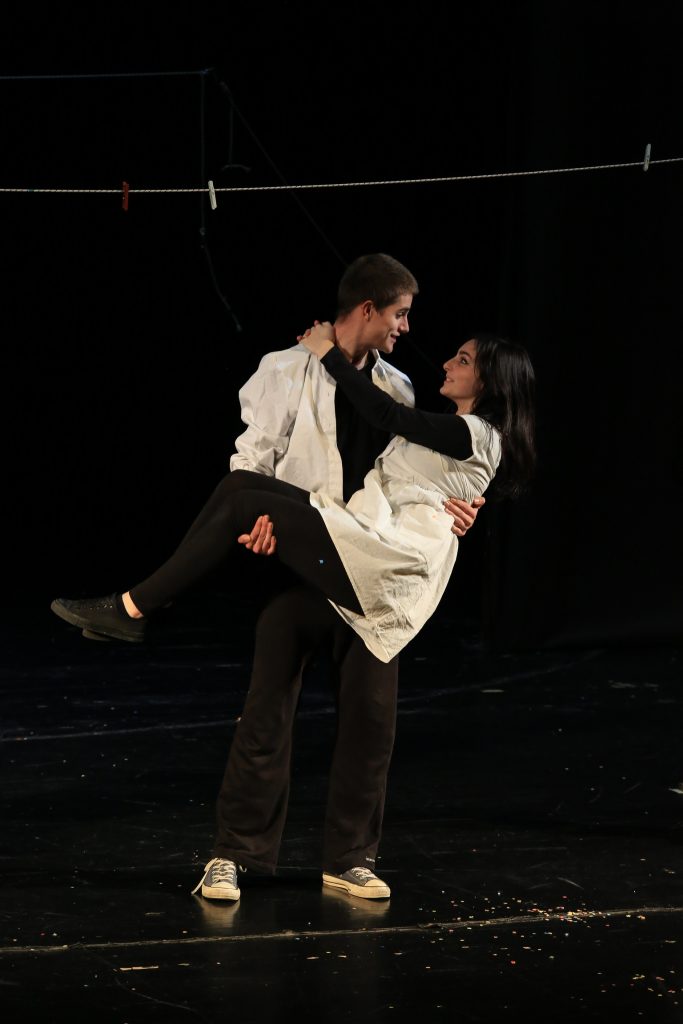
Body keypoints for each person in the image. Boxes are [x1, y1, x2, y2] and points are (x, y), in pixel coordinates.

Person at [51, 317, 536, 899]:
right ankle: (233, 854)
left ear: (491, 379)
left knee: (370, 723)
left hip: (382, 569)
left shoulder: (427, 406)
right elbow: (417, 470)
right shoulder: (290, 373)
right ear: (368, 311)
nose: (427, 345)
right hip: (341, 541)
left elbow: (397, 423)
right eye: (401, 314)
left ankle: (350, 861)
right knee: (246, 514)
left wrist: (329, 353)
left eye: (463, 359)